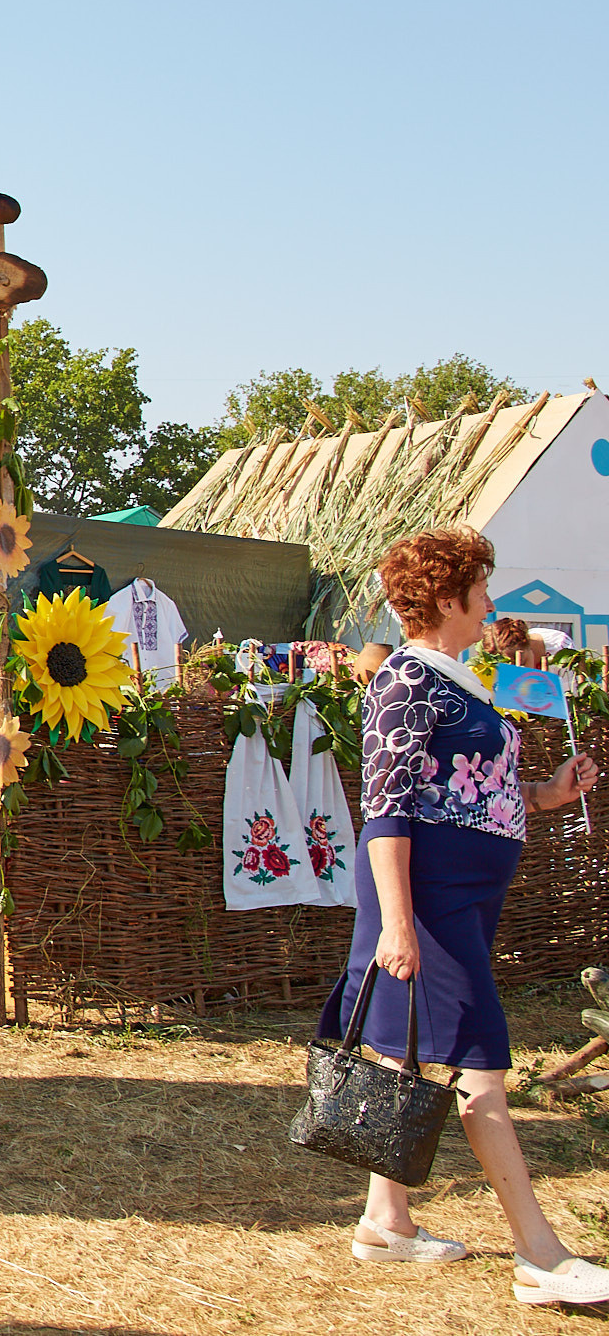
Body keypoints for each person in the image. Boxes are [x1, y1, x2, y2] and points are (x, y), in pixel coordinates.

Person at [320, 525, 603, 1306]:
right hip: (430, 907)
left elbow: (476, 791)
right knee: (481, 1064)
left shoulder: (462, 680)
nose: (490, 603)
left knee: (410, 1052)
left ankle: (386, 1220)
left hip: (464, 902)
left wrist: (548, 793)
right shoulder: (407, 681)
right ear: (446, 598)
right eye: (480, 588)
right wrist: (398, 924)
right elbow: (385, 812)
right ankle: (540, 1256)